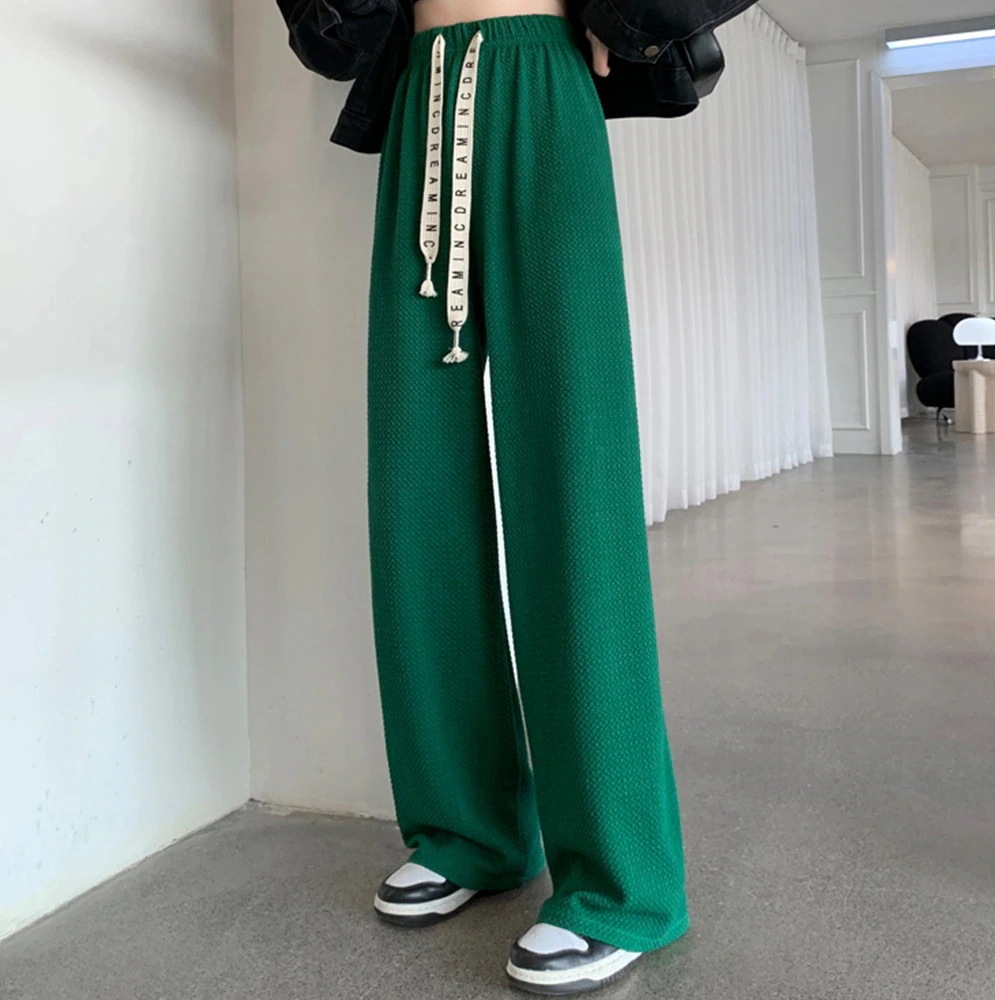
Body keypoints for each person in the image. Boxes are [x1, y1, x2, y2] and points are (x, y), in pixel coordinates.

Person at [273, 0, 751, 992]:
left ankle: (621, 881)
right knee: (416, 491)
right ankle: (467, 830)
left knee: (574, 484)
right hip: (421, 94)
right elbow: (327, 32)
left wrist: (631, 15)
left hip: (543, 81)